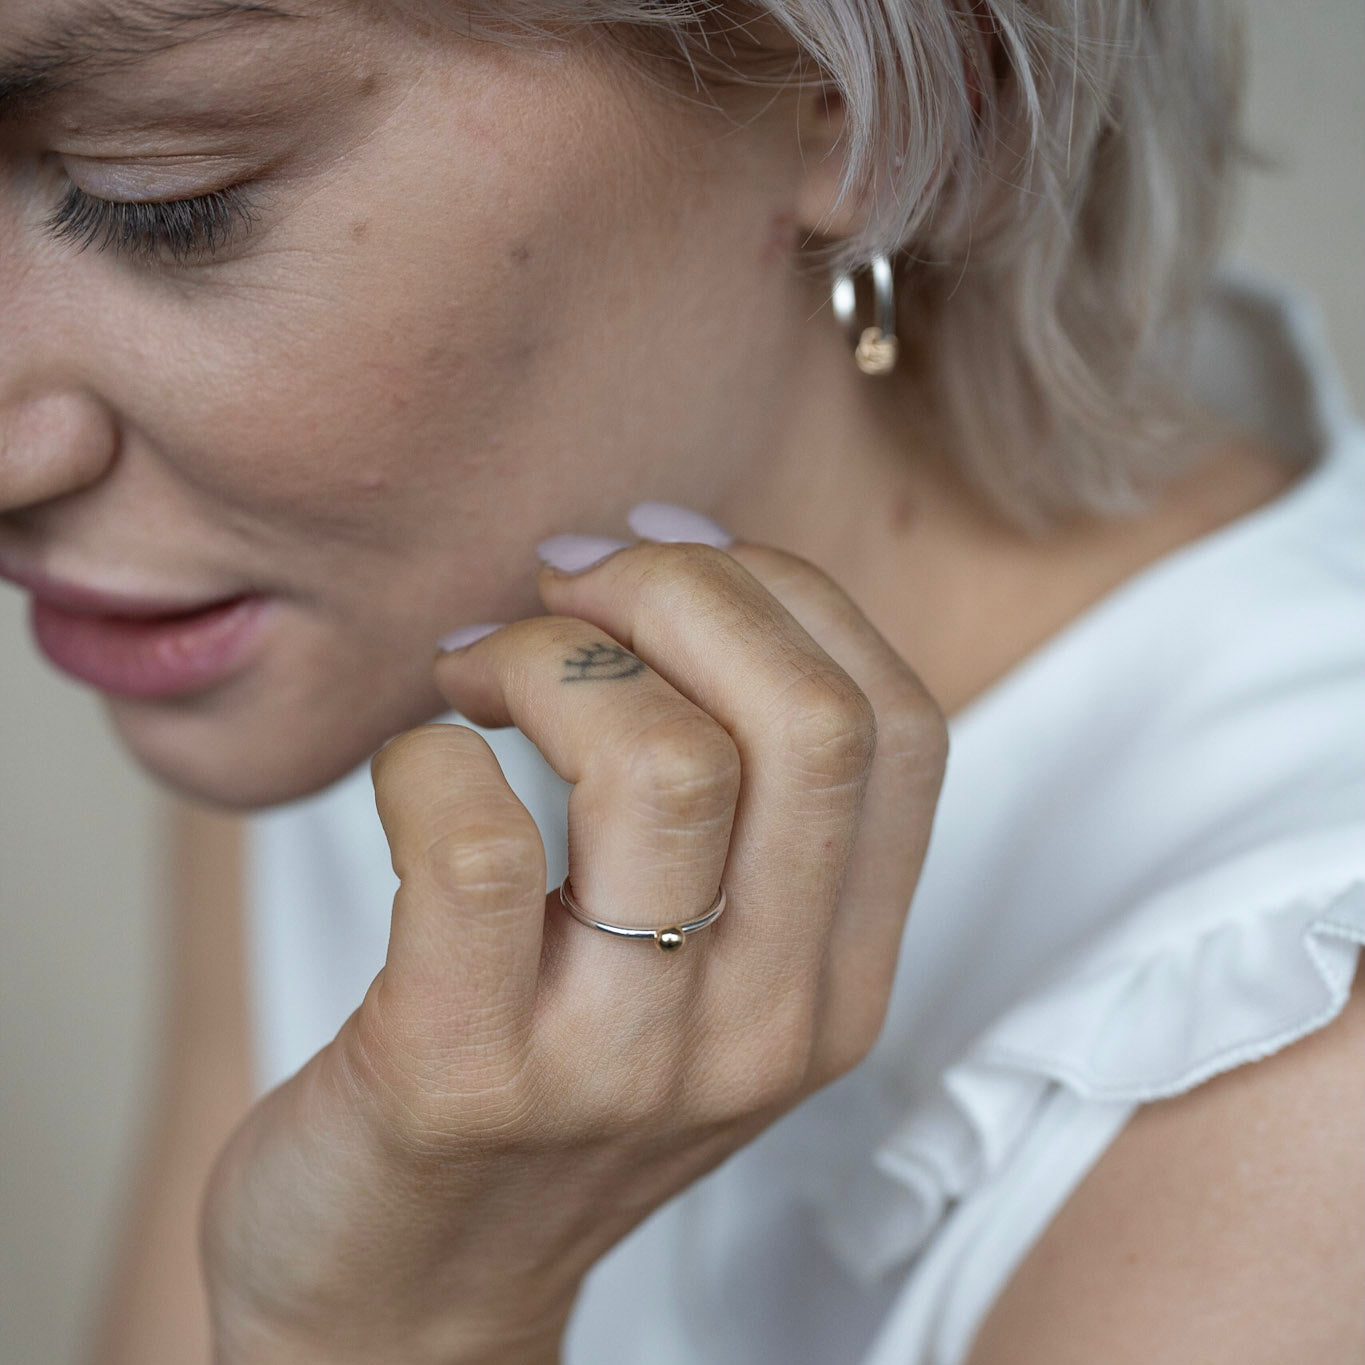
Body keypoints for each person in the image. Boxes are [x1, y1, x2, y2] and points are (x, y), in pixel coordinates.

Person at [0, 0, 1360, 1361]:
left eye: (153, 200)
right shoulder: (344, 610)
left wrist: (401, 1324)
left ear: (876, 94)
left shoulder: (1299, 1082)